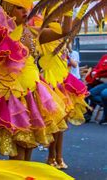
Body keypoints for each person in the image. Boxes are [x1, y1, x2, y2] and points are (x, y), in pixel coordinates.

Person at [0, 0, 68, 161]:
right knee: (17, 152)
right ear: (8, 9)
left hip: (33, 92)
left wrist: (67, 8)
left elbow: (65, 31)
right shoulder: (3, 33)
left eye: (26, 7)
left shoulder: (33, 32)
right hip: (12, 96)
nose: (25, 11)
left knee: (28, 146)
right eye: (19, 7)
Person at [38, 13, 89, 169]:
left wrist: (79, 6)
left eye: (58, 18)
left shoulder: (64, 39)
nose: (57, 21)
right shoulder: (43, 38)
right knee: (54, 124)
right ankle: (51, 157)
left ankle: (59, 157)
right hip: (50, 83)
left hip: (64, 83)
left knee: (62, 126)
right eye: (53, 18)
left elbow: (75, 22)